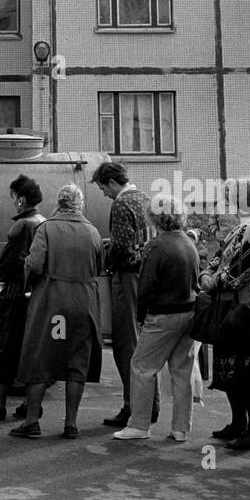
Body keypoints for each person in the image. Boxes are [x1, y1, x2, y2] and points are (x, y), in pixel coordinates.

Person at [9, 183, 103, 440]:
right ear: (79, 204)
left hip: (52, 300)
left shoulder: (46, 228)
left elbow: (36, 264)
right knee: (77, 363)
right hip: (84, 302)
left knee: (39, 356)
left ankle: (31, 421)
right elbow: (99, 267)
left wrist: (26, 269)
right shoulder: (93, 232)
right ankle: (71, 423)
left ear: (59, 203)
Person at [113, 198, 199, 443]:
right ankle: (181, 428)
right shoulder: (188, 242)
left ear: (154, 218)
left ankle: (139, 424)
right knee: (181, 372)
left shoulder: (156, 246)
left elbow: (146, 286)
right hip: (189, 312)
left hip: (163, 315)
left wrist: (141, 317)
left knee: (142, 367)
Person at [203, 177, 250, 452]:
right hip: (236, 308)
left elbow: (233, 273)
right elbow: (220, 258)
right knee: (232, 368)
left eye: (232, 196)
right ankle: (239, 424)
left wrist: (211, 279)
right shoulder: (243, 227)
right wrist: (211, 271)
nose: (228, 201)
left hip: (248, 309)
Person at [0, 175, 45, 422]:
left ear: (21, 200)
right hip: (37, 294)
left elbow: (7, 264)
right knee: (32, 349)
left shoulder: (21, 226)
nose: (12, 203)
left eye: (13, 198)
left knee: (6, 349)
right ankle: (30, 403)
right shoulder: (44, 222)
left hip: (16, 294)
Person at [91, 161, 157, 428]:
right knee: (147, 344)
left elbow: (121, 248)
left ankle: (133, 406)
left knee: (125, 343)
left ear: (113, 183)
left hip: (126, 278)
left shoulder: (120, 204)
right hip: (147, 276)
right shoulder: (145, 199)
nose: (105, 194)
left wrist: (106, 256)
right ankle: (151, 404)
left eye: (103, 188)